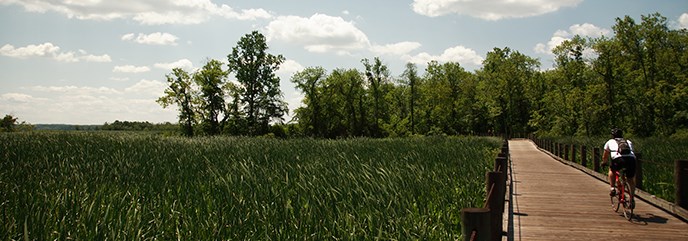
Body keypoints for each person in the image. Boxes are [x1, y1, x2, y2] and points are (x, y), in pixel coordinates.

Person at [601, 128, 637, 208]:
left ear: (613, 135)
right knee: (630, 180)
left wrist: (603, 162)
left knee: (612, 170)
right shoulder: (628, 142)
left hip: (618, 159)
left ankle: (613, 188)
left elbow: (605, 156)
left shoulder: (610, 142)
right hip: (631, 160)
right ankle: (632, 199)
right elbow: (632, 152)